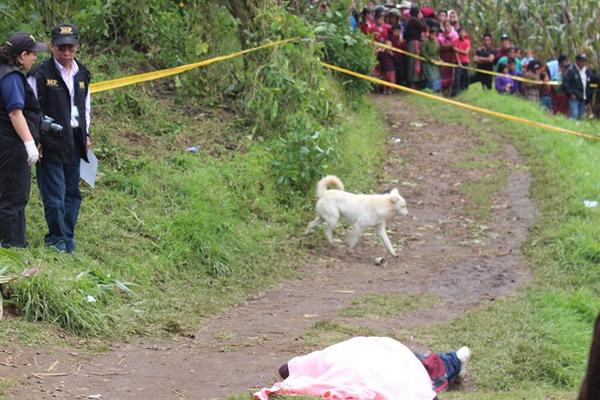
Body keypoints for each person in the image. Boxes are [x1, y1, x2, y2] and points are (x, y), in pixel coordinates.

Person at [28, 23, 91, 253]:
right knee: (54, 194)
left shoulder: (82, 74)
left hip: (74, 138)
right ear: (52, 47)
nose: (66, 53)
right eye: (61, 48)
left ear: (77, 47)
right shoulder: (40, 74)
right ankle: (56, 239)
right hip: (49, 140)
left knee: (73, 193)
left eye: (70, 48)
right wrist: (35, 140)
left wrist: (86, 134)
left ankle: (67, 237)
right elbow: (30, 109)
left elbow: (85, 107)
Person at [255, 336, 471, 400]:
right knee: (426, 366)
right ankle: (455, 360)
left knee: (430, 366)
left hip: (385, 353)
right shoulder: (319, 367)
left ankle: (455, 360)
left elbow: (285, 370)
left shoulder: (393, 385)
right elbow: (285, 370)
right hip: (378, 350)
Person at [0, 32, 46, 248]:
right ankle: (13, 247)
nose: (35, 58)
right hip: (11, 144)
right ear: (22, 55)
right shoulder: (11, 77)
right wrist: (29, 144)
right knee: (15, 195)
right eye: (33, 54)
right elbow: (15, 112)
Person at [562, 53, 591, 120]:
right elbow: (565, 83)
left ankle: (578, 130)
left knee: (580, 117)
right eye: (581, 61)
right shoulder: (571, 71)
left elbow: (589, 84)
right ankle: (570, 129)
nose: (583, 63)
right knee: (574, 115)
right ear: (577, 61)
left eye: (584, 61)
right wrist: (571, 93)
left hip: (583, 97)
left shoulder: (587, 71)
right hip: (574, 97)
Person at [405, 6, 426, 88]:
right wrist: (421, 18)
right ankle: (412, 82)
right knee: (413, 62)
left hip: (414, 42)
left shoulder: (411, 20)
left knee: (415, 62)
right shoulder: (413, 20)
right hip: (413, 43)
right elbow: (423, 27)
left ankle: (416, 81)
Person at [437, 21, 458, 93]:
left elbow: (454, 45)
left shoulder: (454, 35)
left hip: (451, 57)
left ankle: (451, 89)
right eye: (445, 26)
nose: (446, 27)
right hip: (443, 57)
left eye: (448, 25)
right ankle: (443, 89)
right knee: (443, 73)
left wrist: (445, 46)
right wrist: (446, 46)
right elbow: (439, 46)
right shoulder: (441, 35)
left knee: (451, 72)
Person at [451, 27, 470, 96]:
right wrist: (459, 62)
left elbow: (466, 52)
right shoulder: (455, 41)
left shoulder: (467, 41)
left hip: (466, 61)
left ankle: (464, 90)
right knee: (457, 77)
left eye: (463, 32)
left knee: (465, 77)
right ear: (458, 33)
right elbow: (455, 53)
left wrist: (458, 50)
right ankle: (455, 92)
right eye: (461, 32)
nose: (462, 34)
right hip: (458, 62)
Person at [422, 27, 441, 92]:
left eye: (435, 34)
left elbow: (437, 54)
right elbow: (423, 52)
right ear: (429, 34)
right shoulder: (425, 42)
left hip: (435, 63)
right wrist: (429, 59)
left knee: (437, 76)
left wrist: (440, 60)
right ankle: (429, 90)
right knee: (430, 77)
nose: (433, 36)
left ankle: (437, 90)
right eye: (432, 34)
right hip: (427, 62)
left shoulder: (436, 43)